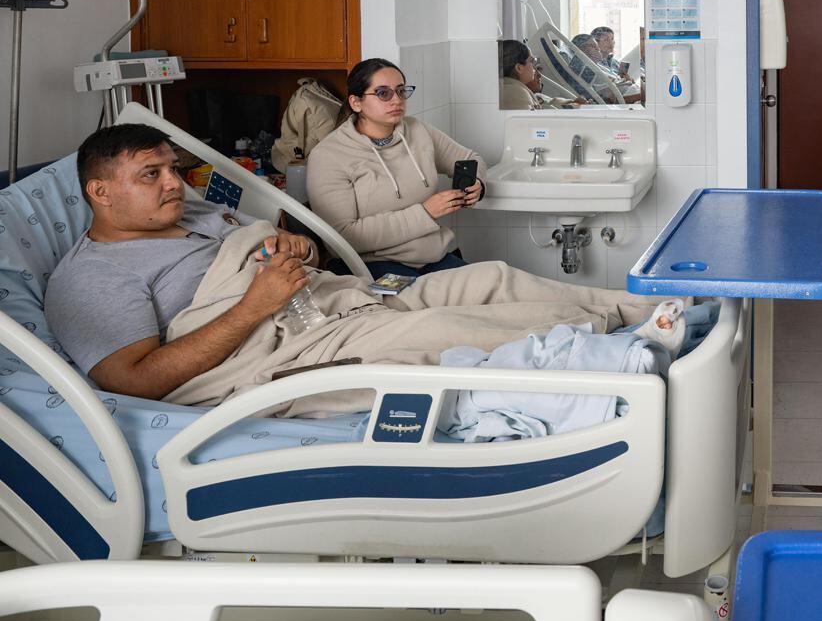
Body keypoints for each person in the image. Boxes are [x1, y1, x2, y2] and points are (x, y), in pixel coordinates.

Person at [44, 125, 669, 412]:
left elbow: (295, 255)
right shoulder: (91, 278)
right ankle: (626, 353)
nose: (174, 185)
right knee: (446, 326)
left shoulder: (201, 219)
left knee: (489, 278)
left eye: (173, 170)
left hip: (337, 299)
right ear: (100, 193)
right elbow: (137, 382)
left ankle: (644, 313)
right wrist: (254, 305)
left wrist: (297, 253)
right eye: (150, 175)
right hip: (284, 347)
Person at [307, 58, 485, 280]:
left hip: (435, 258)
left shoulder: (417, 131)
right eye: (383, 93)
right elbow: (343, 237)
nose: (396, 100)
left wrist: (477, 183)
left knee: (493, 288)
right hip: (372, 267)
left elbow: (469, 158)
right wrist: (425, 213)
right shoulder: (329, 156)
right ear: (356, 102)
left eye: (401, 91)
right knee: (447, 309)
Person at [498, 40, 582, 110]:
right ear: (519, 68)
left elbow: (545, 104)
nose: (535, 68)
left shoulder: (511, 87)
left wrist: (570, 102)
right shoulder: (515, 92)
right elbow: (533, 124)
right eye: (532, 61)